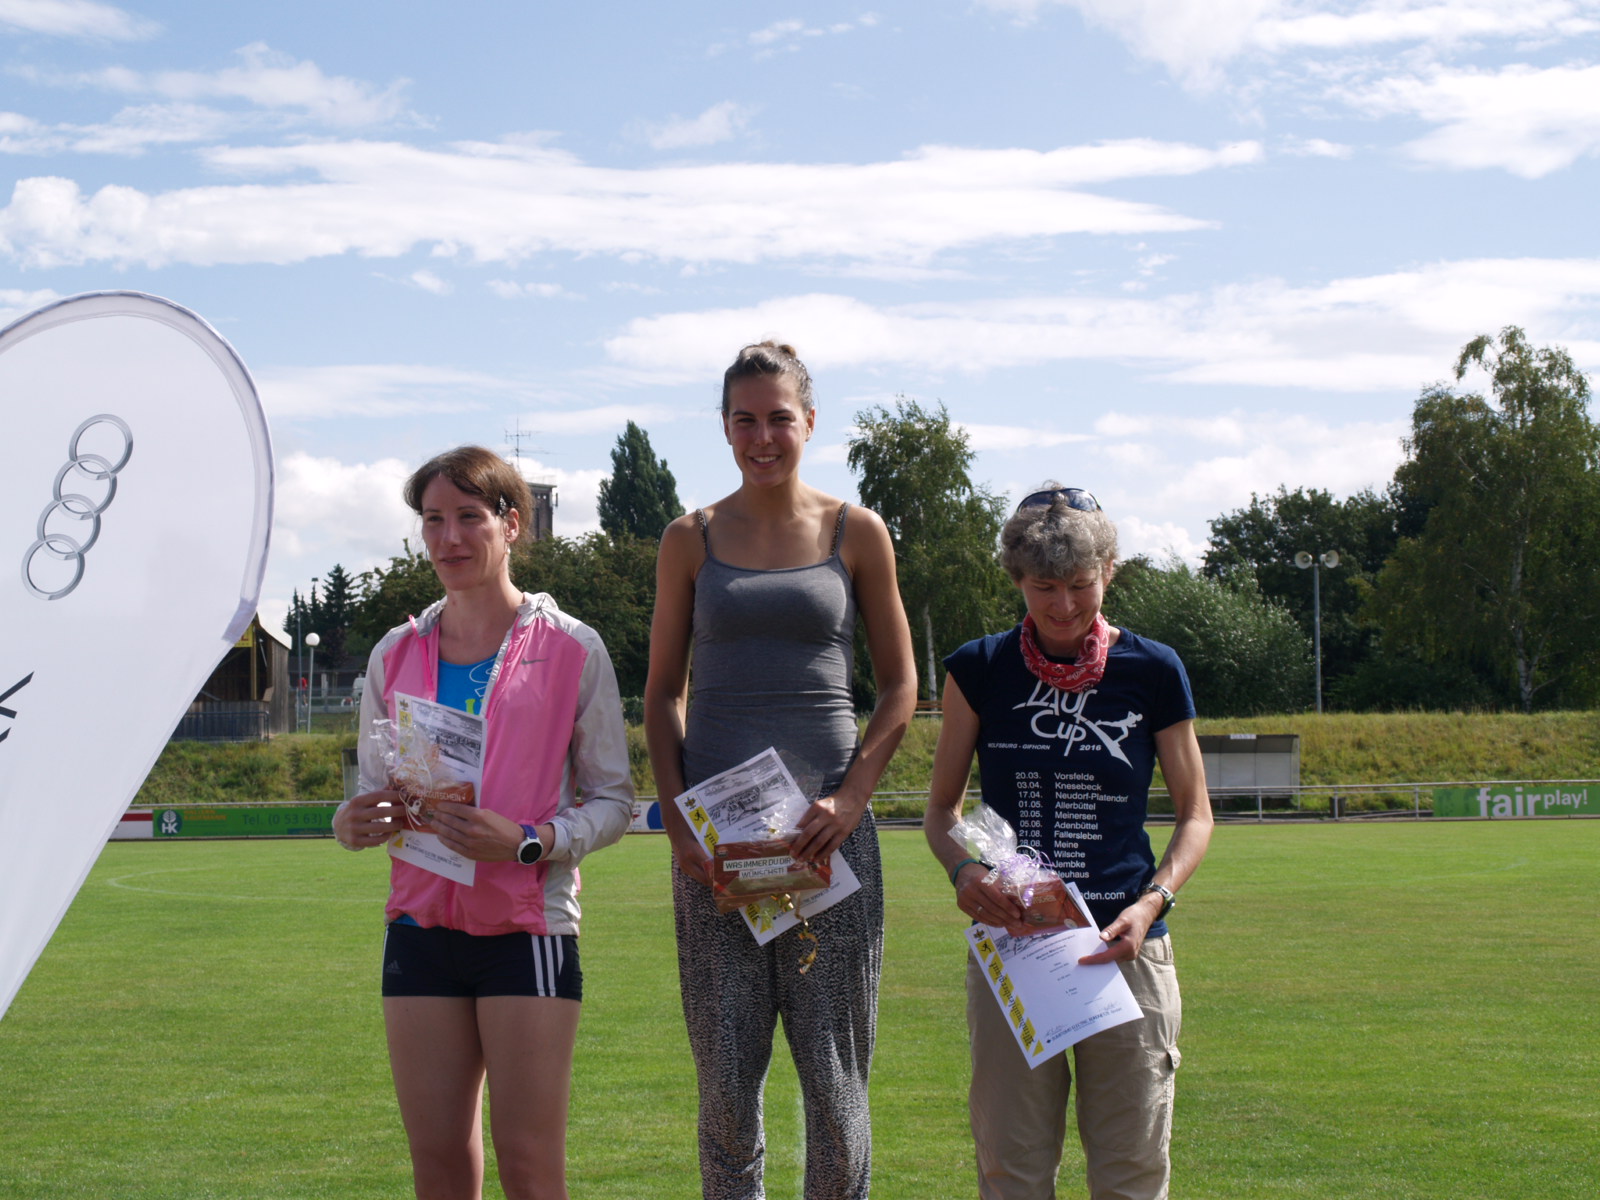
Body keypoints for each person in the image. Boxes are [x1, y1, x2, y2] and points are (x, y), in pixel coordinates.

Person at [644, 341, 917, 1200]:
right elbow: (661, 694)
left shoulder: (855, 531)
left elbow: (901, 685)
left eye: (779, 419)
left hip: (827, 845)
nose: (762, 437)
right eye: (744, 420)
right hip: (717, 853)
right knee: (727, 1091)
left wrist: (850, 798)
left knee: (836, 1090)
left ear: (809, 422)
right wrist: (679, 823)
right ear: (724, 427)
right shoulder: (688, 538)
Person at [333, 446, 634, 1200]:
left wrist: (530, 842)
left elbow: (613, 800)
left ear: (511, 524)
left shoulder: (572, 647)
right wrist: (352, 821)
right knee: (437, 1165)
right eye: (433, 520)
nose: (449, 538)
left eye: (469, 517)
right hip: (418, 927)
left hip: (526, 930)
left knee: (529, 1168)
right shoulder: (394, 653)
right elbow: (372, 789)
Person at [923, 485, 1214, 1200]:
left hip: (1127, 948)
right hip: (1017, 947)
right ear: (1016, 579)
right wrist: (964, 872)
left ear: (1109, 571)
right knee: (1012, 1171)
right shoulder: (978, 668)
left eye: (1080, 585)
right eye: (1042, 587)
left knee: (1131, 1171)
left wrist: (1152, 904)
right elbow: (940, 811)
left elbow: (1196, 814)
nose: (1061, 606)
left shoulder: (1154, 669)